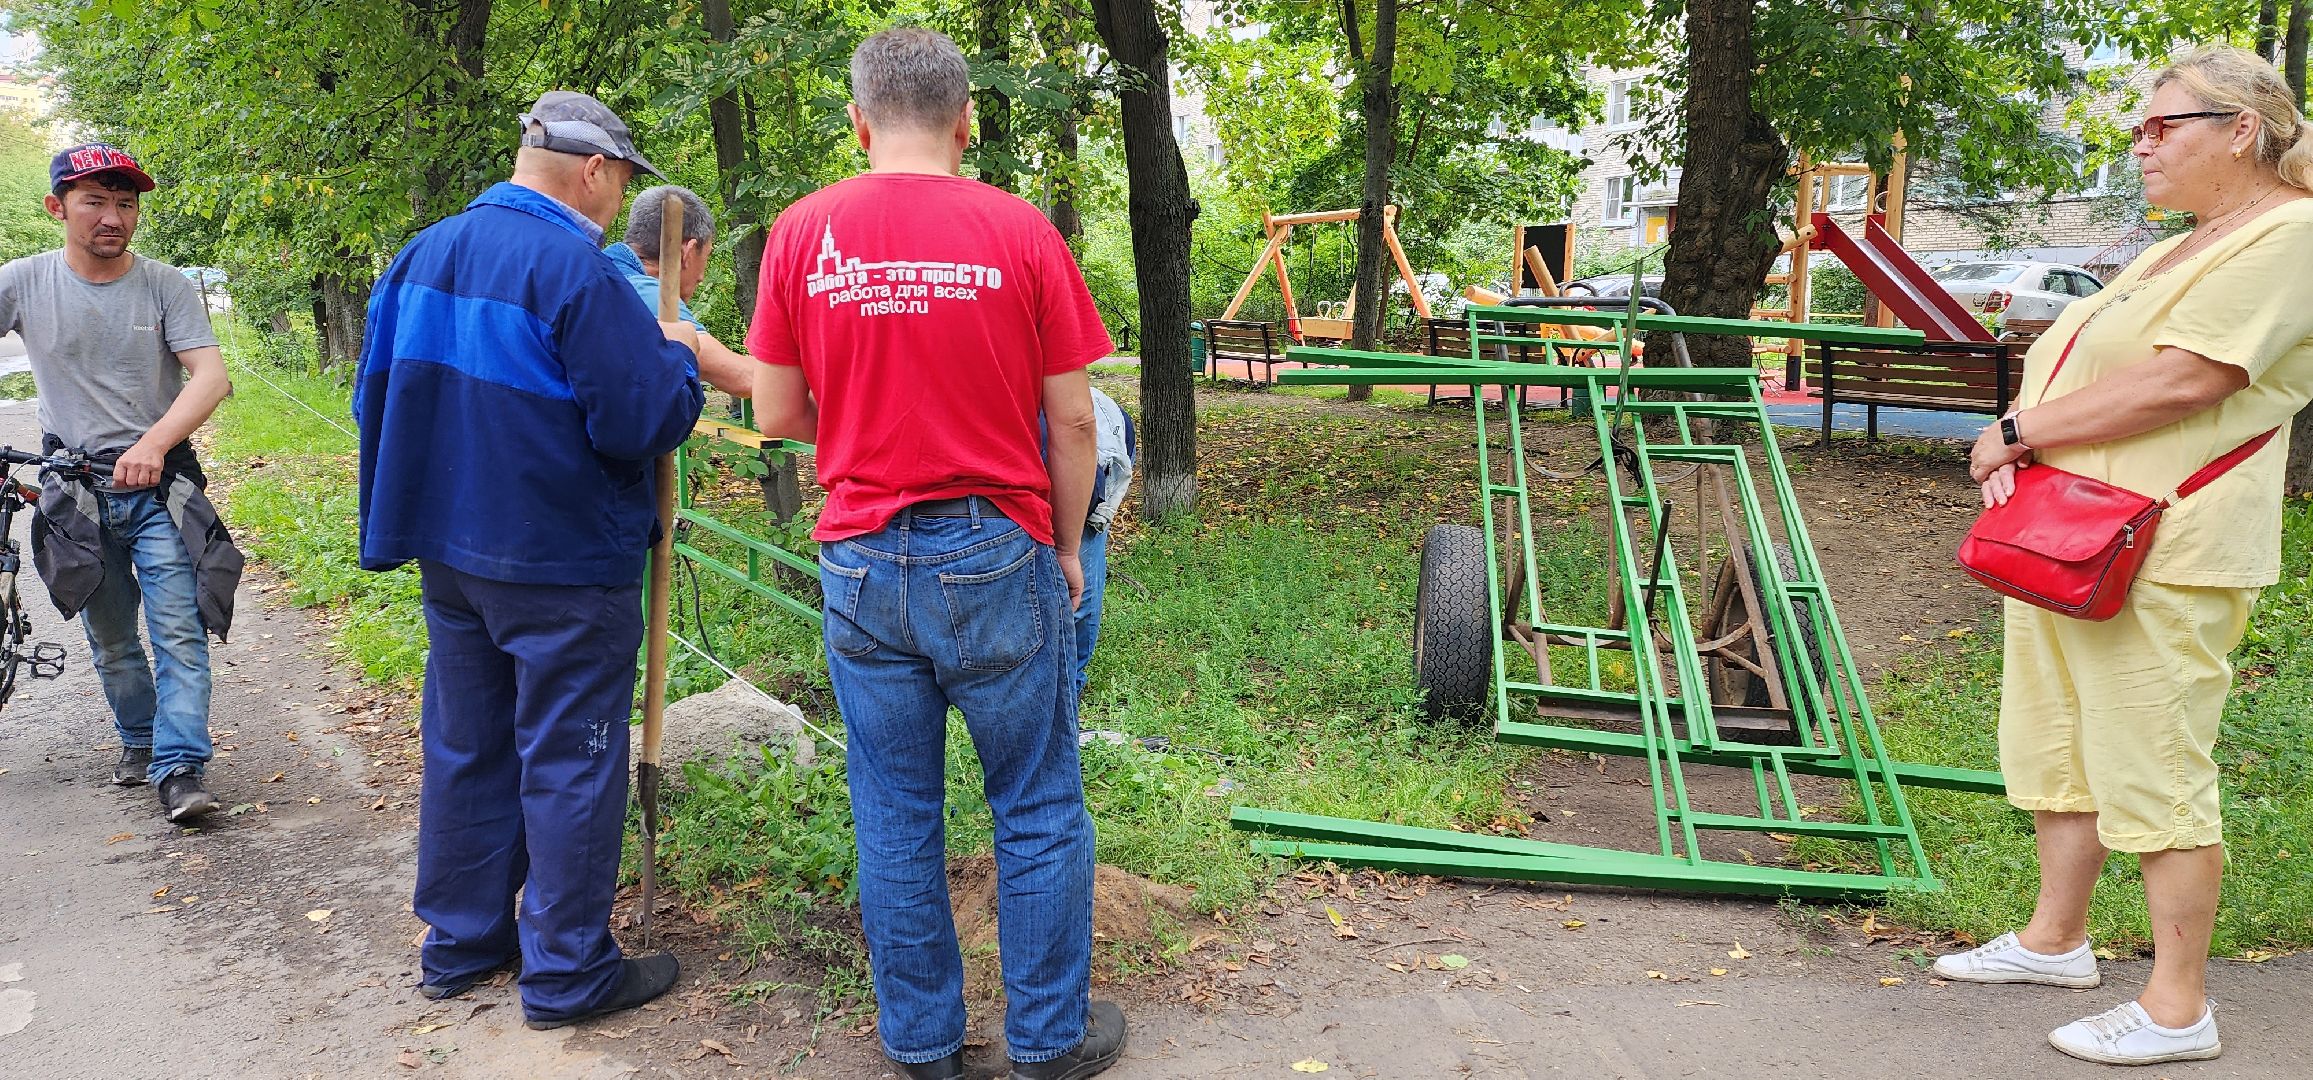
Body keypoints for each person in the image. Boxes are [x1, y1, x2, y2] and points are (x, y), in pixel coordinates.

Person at [746, 28, 1122, 1080]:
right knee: (1039, 801)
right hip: (999, 549)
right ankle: (1049, 1042)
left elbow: (777, 411)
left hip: (861, 558)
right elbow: (1077, 425)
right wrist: (1065, 548)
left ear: (859, 122)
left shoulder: (802, 231)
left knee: (896, 808)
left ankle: (921, 1044)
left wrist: (872, 438)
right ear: (965, 121)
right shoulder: (1020, 230)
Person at [1941, 46, 2313, 1067]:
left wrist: (2016, 432)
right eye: (2137, 130)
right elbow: (2097, 356)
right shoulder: (2187, 242)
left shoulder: (2294, 234)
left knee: (2155, 770)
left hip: (2166, 545)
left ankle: (2177, 1008)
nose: (2141, 148)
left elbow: (2186, 381)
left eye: (2162, 127)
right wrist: (2030, 434)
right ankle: (2056, 941)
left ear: (2241, 130)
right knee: (2058, 746)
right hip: (2074, 531)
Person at [354, 91, 705, 1030]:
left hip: (450, 555)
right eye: (621, 177)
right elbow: (641, 420)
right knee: (571, 756)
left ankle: (462, 943)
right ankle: (566, 972)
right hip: (559, 563)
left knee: (466, 744)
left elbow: (373, 402)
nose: (618, 194)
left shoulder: (422, 253)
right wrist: (676, 362)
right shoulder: (572, 269)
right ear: (593, 170)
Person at [0, 143, 235, 822]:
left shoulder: (165, 286)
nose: (113, 217)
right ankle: (138, 737)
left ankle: (181, 766)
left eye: (125, 204)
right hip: (72, 492)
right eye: (95, 201)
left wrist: (155, 443)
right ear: (57, 208)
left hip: (162, 488)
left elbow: (210, 378)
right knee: (113, 639)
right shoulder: (23, 281)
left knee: (181, 628)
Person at [603, 184, 757, 398]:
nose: (701, 277)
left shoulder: (602, 268)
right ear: (689, 252)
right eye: (706, 257)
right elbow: (744, 378)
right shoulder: (645, 294)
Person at [1067, 387, 1134, 703]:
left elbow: (1087, 492)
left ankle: (1072, 682)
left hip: (1100, 457)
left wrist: (1066, 551)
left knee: (1081, 571)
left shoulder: (1081, 448)